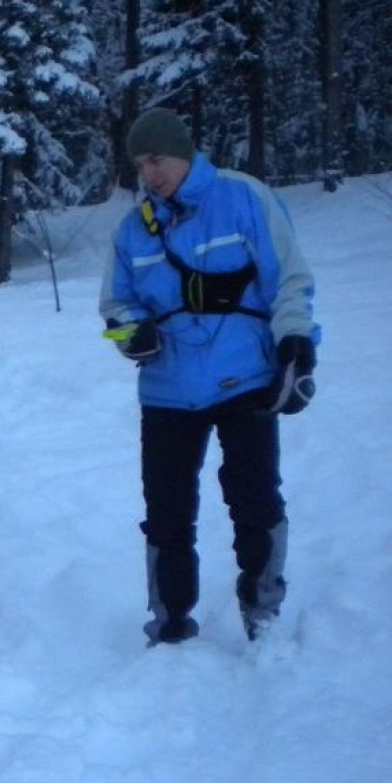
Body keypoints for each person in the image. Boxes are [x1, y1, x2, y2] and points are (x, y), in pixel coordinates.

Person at [101, 107, 319, 645]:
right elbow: (115, 305)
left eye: (158, 160)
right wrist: (131, 332)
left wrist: (296, 344)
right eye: (140, 165)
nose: (150, 174)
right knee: (166, 512)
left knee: (254, 499)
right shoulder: (133, 230)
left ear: (185, 152)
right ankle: (171, 620)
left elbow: (289, 280)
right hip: (167, 390)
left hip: (246, 379)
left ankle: (261, 605)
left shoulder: (243, 198)